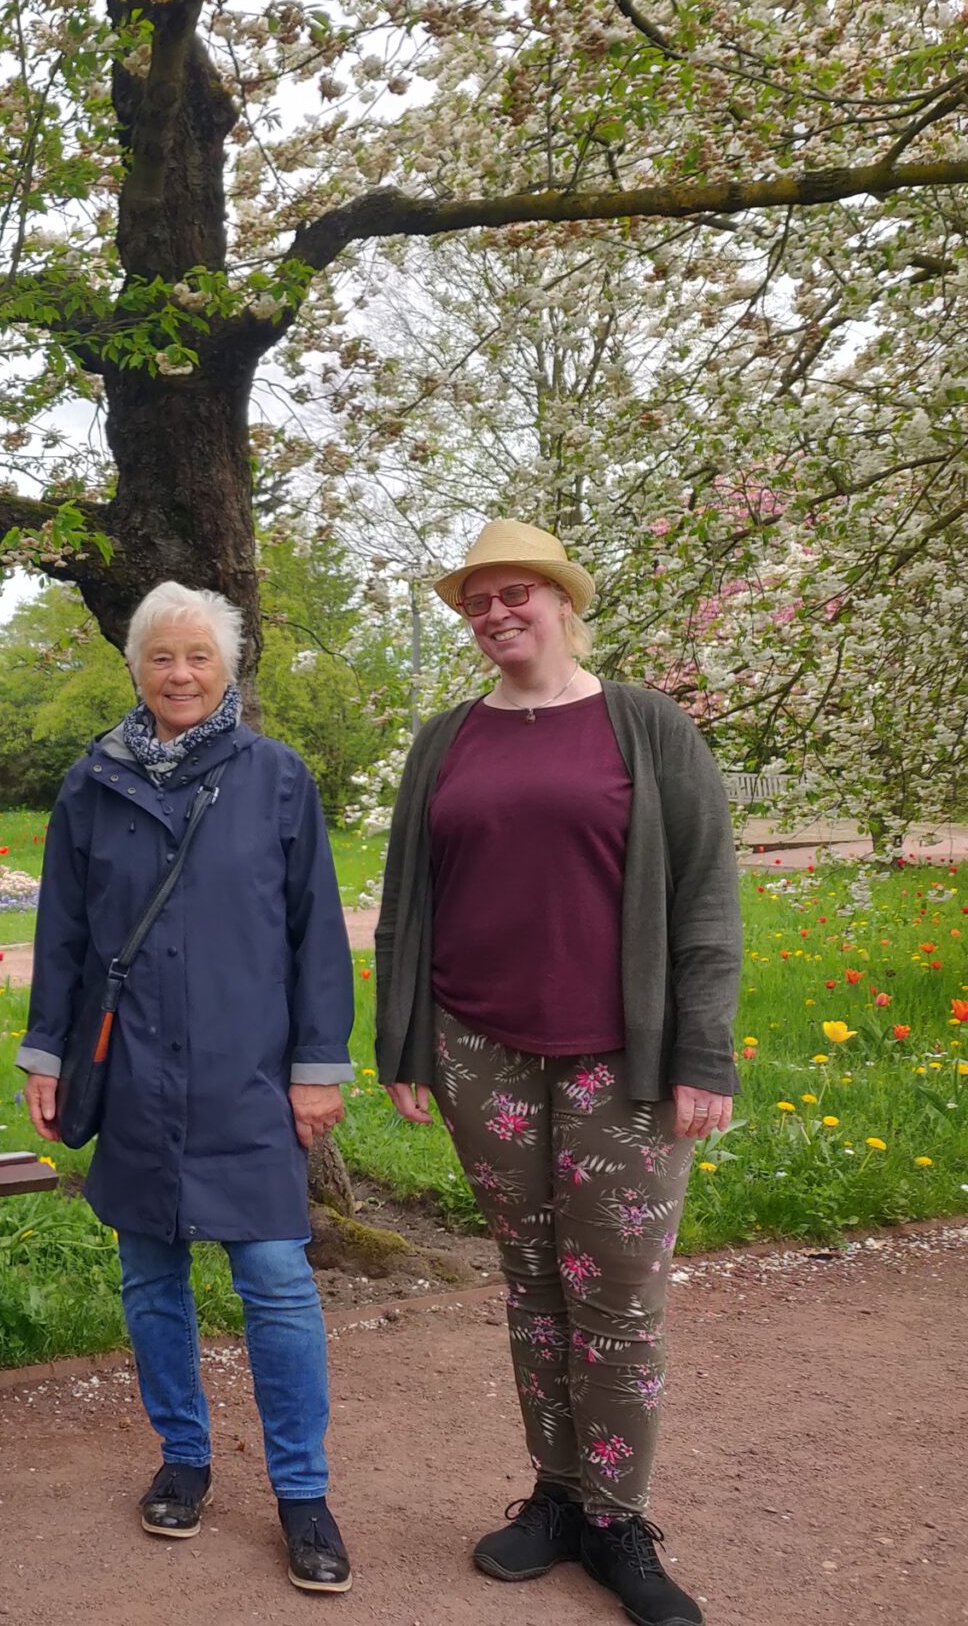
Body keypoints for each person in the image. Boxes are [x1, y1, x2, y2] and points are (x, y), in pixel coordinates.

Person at [375, 519, 741, 1626]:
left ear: (562, 602)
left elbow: (707, 900)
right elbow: (405, 903)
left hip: (618, 1063)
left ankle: (619, 1519)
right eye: (476, 601)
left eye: (514, 593)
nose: (494, 615)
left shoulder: (644, 727)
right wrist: (404, 1044)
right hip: (478, 1051)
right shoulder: (445, 742)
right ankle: (556, 1494)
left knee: (617, 1298)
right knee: (530, 1286)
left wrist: (701, 1053)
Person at [16, 582, 358, 1596]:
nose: (178, 674)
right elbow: (64, 935)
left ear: (226, 669)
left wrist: (316, 1068)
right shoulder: (93, 782)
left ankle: (302, 1491)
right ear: (135, 667)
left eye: (197, 658)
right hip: (132, 1075)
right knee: (150, 1279)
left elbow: (314, 937)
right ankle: (184, 1457)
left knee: (277, 1285)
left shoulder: (275, 778)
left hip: (247, 1079)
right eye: (161, 657)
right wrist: (45, 1051)